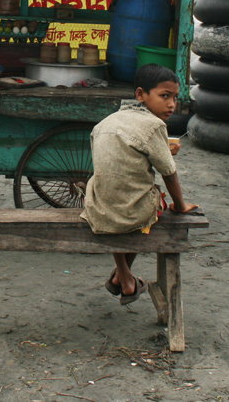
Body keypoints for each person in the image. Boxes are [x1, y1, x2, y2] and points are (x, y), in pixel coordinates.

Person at [80, 63, 199, 304]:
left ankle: (122, 279)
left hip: (98, 207)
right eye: (164, 96)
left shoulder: (106, 122)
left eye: (175, 98)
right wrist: (180, 204)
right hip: (129, 210)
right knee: (152, 205)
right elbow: (169, 172)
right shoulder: (154, 125)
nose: (171, 104)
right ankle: (124, 279)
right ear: (140, 95)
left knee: (121, 198)